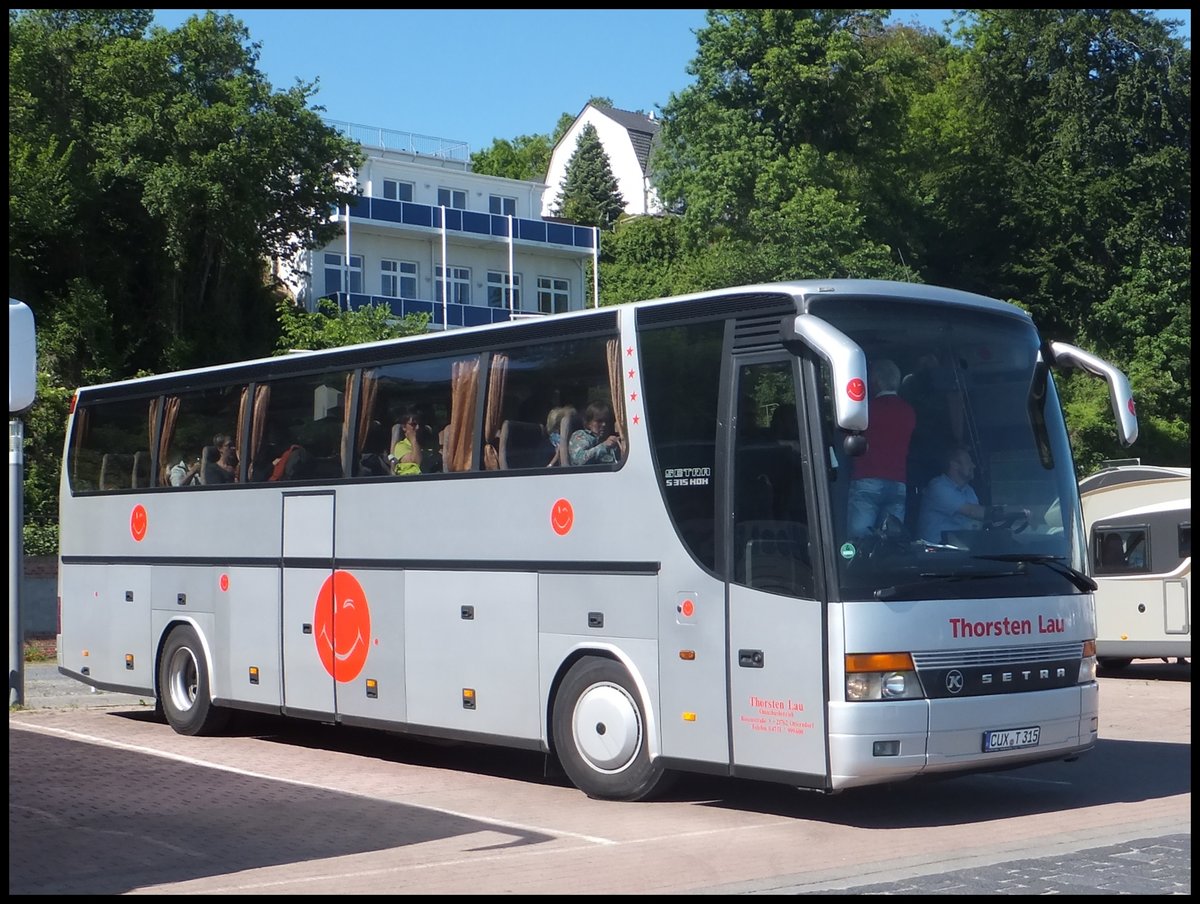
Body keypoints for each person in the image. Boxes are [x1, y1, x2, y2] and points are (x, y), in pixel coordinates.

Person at [846, 359, 916, 538]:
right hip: (898, 481)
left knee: (860, 540)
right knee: (892, 540)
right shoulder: (908, 411)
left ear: (875, 381)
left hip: (867, 479)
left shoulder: (866, 410)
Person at [917, 446, 1028, 542]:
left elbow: (980, 521)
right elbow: (973, 512)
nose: (973, 466)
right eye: (968, 462)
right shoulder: (938, 487)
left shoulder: (968, 490)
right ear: (954, 465)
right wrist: (1016, 511)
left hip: (962, 549)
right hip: (936, 553)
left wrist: (1009, 521)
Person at [568, 400, 621, 466]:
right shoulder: (581, 436)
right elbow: (579, 460)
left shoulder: (615, 440)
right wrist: (604, 446)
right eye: (599, 421)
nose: (604, 424)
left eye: (607, 421)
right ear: (588, 423)